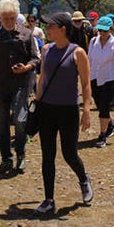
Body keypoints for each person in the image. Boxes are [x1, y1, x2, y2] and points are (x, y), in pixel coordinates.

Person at [34, 12, 93, 215]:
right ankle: (49, 199)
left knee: (69, 154)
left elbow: (86, 84)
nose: (47, 30)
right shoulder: (46, 50)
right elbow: (42, 79)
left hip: (68, 109)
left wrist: (86, 109)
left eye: (51, 26)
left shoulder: (78, 53)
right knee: (47, 155)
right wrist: (37, 101)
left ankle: (84, 179)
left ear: (63, 29)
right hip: (47, 109)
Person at [0, 0, 40, 173]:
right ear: (0, 17)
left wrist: (27, 67)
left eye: (12, 18)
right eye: (5, 18)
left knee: (20, 119)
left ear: (16, 16)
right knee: (1, 124)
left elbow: (36, 58)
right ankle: (6, 158)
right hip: (0, 86)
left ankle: (21, 153)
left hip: (21, 84)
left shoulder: (27, 34)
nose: (8, 21)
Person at [88, 16, 114, 148]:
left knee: (104, 106)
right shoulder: (93, 42)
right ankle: (111, 123)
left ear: (111, 29)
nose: (102, 33)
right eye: (100, 30)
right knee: (99, 105)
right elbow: (89, 60)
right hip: (95, 77)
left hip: (109, 78)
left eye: (105, 31)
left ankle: (102, 135)